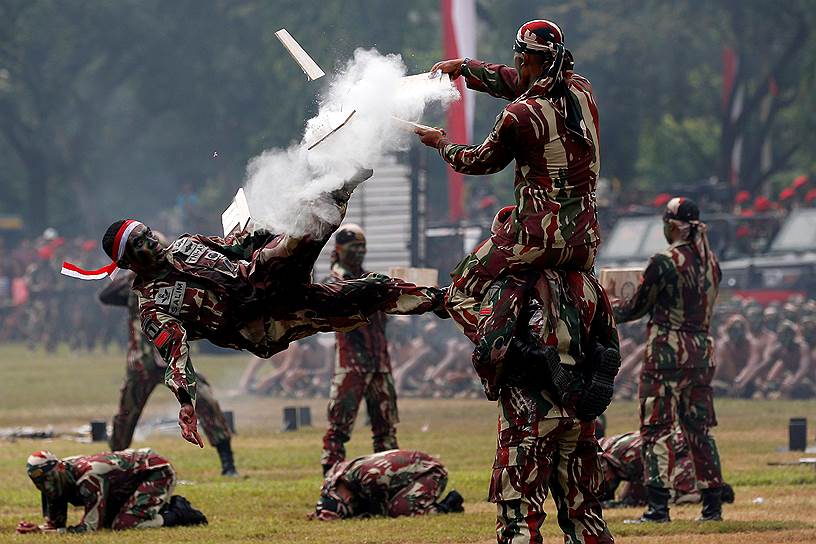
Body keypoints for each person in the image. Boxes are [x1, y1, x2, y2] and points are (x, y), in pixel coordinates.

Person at [63, 170, 445, 446]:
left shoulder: (184, 244)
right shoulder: (152, 306)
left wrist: (269, 223)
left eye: (147, 233)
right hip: (262, 323)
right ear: (129, 262)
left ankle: (440, 298)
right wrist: (185, 404)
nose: (152, 241)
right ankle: (337, 187)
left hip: (264, 278)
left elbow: (236, 245)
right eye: (140, 244)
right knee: (340, 286)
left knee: (359, 279)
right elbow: (175, 356)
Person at [415, 20, 601, 337]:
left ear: (524, 59)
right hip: (586, 238)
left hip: (536, 237)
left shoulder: (519, 115)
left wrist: (441, 144)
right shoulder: (581, 90)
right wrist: (464, 67)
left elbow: (477, 162)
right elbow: (521, 81)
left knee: (459, 293)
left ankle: (508, 350)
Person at [472, 268, 618, 544]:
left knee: (520, 515)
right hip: (580, 409)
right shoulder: (587, 283)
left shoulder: (514, 282)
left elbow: (490, 348)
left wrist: (493, 384)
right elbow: (610, 346)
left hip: (527, 411)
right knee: (585, 513)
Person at [613, 197, 725, 523]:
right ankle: (712, 507)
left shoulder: (665, 261)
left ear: (671, 225)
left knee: (656, 429)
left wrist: (609, 305)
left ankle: (658, 507)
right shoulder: (711, 262)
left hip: (666, 353)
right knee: (700, 430)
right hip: (701, 353)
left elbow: (637, 307)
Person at [98, 269, 238, 476]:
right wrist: (131, 274)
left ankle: (228, 463)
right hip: (141, 362)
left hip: (172, 357)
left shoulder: (178, 281)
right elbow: (106, 295)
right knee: (126, 415)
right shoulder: (133, 282)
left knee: (205, 400)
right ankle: (116, 465)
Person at [320, 225, 399, 473]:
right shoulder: (333, 281)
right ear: (340, 249)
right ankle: (330, 480)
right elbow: (338, 294)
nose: (360, 252)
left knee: (385, 427)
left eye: (363, 247)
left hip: (380, 362)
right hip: (351, 363)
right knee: (339, 427)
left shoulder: (372, 279)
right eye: (355, 247)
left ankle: (388, 477)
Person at [18, 449, 206, 533]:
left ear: (59, 468)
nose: (45, 486)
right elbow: (55, 525)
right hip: (125, 483)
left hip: (155, 472)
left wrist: (53, 532)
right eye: (39, 482)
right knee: (110, 522)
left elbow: (90, 528)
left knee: (125, 524)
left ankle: (180, 512)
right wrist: (39, 530)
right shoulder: (58, 478)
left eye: (47, 479)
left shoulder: (88, 477)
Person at [310, 449, 463, 520]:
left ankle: (449, 505)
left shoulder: (368, 478)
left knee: (399, 510)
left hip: (430, 471)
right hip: (404, 476)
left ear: (347, 499)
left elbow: (379, 513)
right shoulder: (334, 478)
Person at [599, 430, 735, 508]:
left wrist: (620, 503)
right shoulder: (610, 454)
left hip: (681, 451)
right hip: (669, 447)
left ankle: (709, 497)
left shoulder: (628, 457)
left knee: (666, 495)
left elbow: (636, 498)